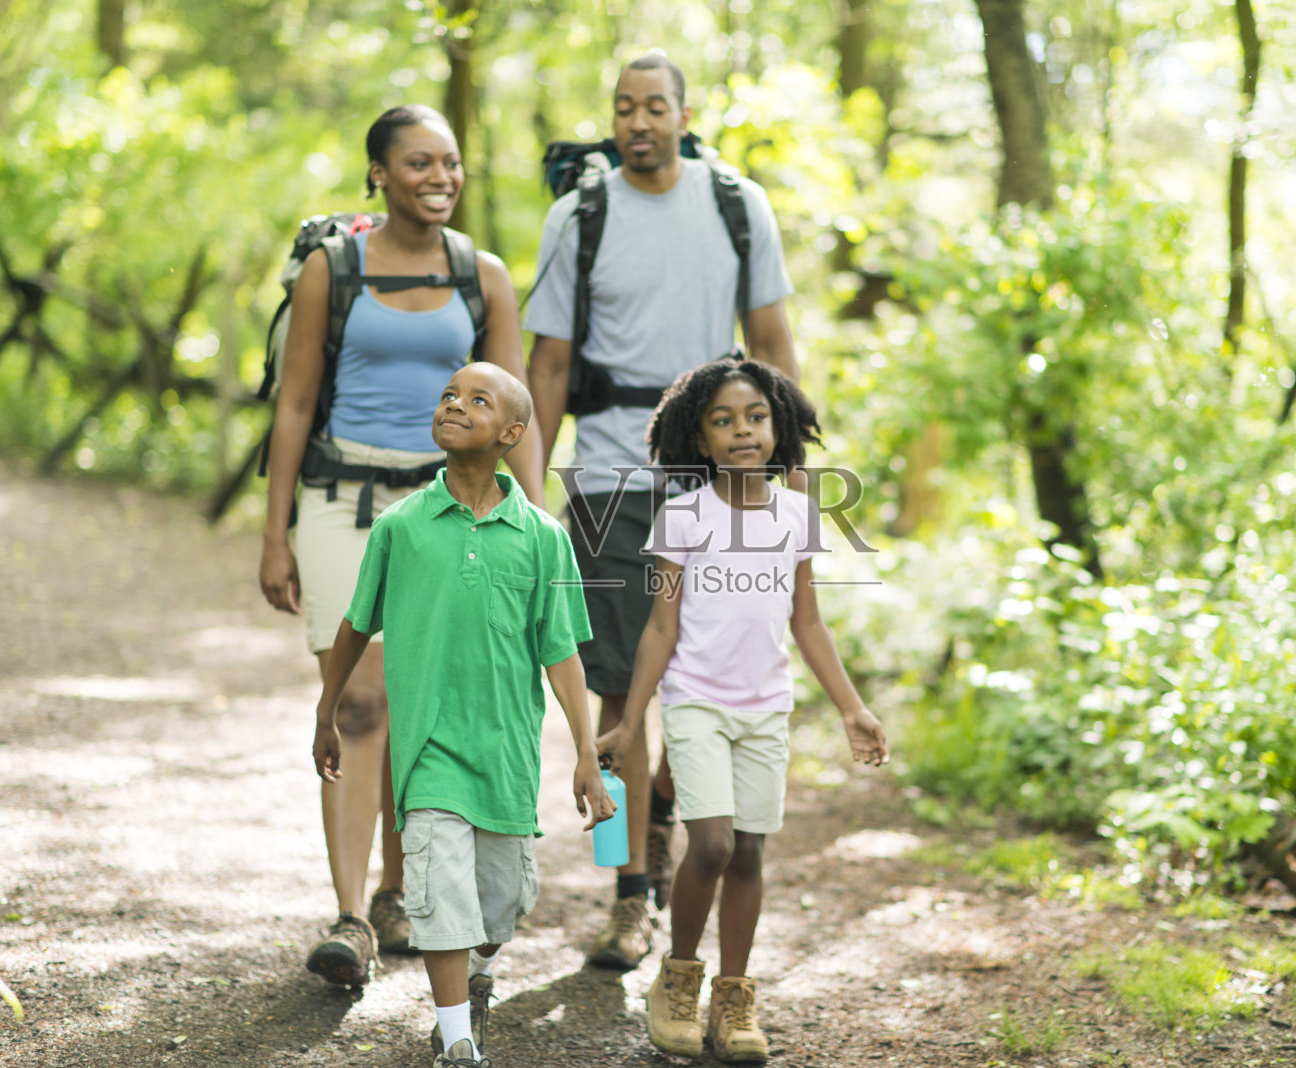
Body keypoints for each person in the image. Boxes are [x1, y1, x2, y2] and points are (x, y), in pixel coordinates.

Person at [525, 52, 801, 971]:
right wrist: (532, 490)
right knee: (615, 692)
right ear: (611, 121)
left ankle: (661, 832)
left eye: (655, 106)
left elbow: (770, 345)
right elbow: (551, 366)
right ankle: (624, 889)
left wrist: (788, 470)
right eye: (623, 108)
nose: (639, 121)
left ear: (684, 115)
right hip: (605, 478)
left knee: (703, 677)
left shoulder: (737, 204)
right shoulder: (579, 217)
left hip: (716, 479)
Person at [259, 103, 545, 987]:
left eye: (451, 163)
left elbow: (517, 411)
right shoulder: (330, 269)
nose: (441, 178)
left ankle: (398, 893)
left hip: (445, 512)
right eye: (419, 163)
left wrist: (531, 527)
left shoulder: (482, 275)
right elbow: (296, 403)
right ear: (378, 173)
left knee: (430, 702)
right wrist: (275, 534)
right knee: (361, 701)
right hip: (340, 502)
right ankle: (350, 915)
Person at [312, 362, 612, 1068]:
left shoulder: (545, 537)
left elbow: (562, 652)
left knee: (496, 905)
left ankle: (478, 978)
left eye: (477, 399)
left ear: (512, 433)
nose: (454, 404)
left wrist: (587, 749)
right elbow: (356, 624)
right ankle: (457, 1042)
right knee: (440, 894)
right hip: (429, 753)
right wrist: (327, 709)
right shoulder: (401, 526)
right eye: (449, 395)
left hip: (506, 754)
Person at [600, 357, 889, 1063]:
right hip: (696, 703)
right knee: (714, 845)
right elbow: (661, 629)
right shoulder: (685, 515)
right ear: (698, 439)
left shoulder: (797, 513)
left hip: (767, 708)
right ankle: (677, 983)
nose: (742, 431)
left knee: (751, 853)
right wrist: (632, 720)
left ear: (778, 425)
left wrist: (852, 708)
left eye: (755, 417)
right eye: (723, 421)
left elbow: (808, 623)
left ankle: (733, 998)